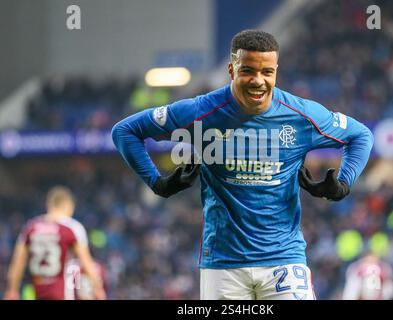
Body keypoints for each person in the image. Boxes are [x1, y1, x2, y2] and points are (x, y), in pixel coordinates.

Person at [112, 29, 374, 300]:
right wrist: (157, 183)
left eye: (267, 72)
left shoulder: (301, 115)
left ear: (276, 71)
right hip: (223, 265)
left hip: (283, 260)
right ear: (231, 69)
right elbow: (125, 131)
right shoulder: (200, 112)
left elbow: (360, 135)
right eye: (248, 70)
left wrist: (344, 183)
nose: (258, 81)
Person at [4, 186, 106, 300]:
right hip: (62, 293)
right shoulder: (72, 227)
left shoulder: (30, 227)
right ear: (68, 206)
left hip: (38, 292)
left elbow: (18, 262)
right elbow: (86, 263)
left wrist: (12, 290)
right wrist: (98, 288)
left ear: (49, 205)